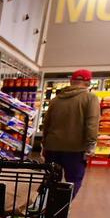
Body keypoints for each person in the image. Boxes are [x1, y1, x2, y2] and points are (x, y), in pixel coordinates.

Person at [41, 68, 100, 196]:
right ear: (88, 82)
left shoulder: (56, 99)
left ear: (71, 81)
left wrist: (44, 143)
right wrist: (91, 145)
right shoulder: (90, 98)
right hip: (75, 148)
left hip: (52, 146)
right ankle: (60, 209)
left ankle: (46, 207)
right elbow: (92, 123)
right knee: (73, 181)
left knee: (51, 179)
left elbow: (46, 123)